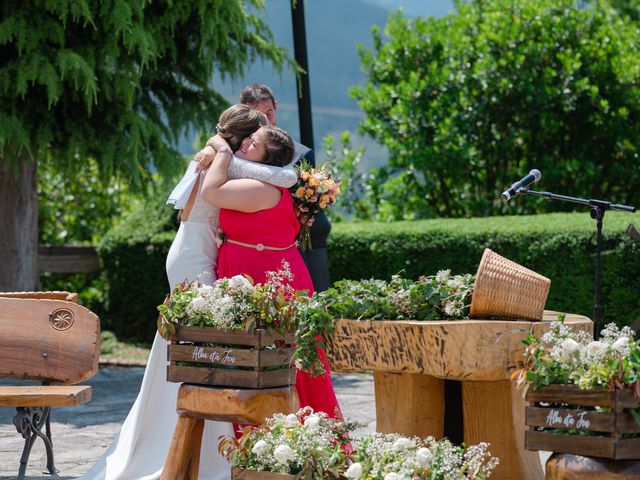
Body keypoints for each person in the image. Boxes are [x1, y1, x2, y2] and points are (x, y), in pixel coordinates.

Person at [78, 105, 297, 480]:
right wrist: (224, 151)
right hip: (196, 255)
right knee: (207, 349)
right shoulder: (225, 161)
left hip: (192, 247)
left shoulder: (217, 157)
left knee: (188, 344)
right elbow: (282, 176)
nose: (249, 143)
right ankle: (205, 453)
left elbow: (191, 209)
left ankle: (177, 438)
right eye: (251, 136)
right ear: (238, 139)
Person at [201, 125, 342, 419]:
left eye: (254, 143)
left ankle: (298, 430)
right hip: (259, 271)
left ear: (266, 159)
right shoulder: (261, 183)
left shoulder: (260, 188)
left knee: (284, 360)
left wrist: (223, 148)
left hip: (271, 279)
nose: (245, 143)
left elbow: (211, 191)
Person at [196, 83, 332, 292]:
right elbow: (219, 136)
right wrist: (214, 147)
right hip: (243, 268)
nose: (265, 123)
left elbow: (210, 192)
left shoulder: (274, 175)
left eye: (268, 113)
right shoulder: (236, 151)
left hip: (269, 269)